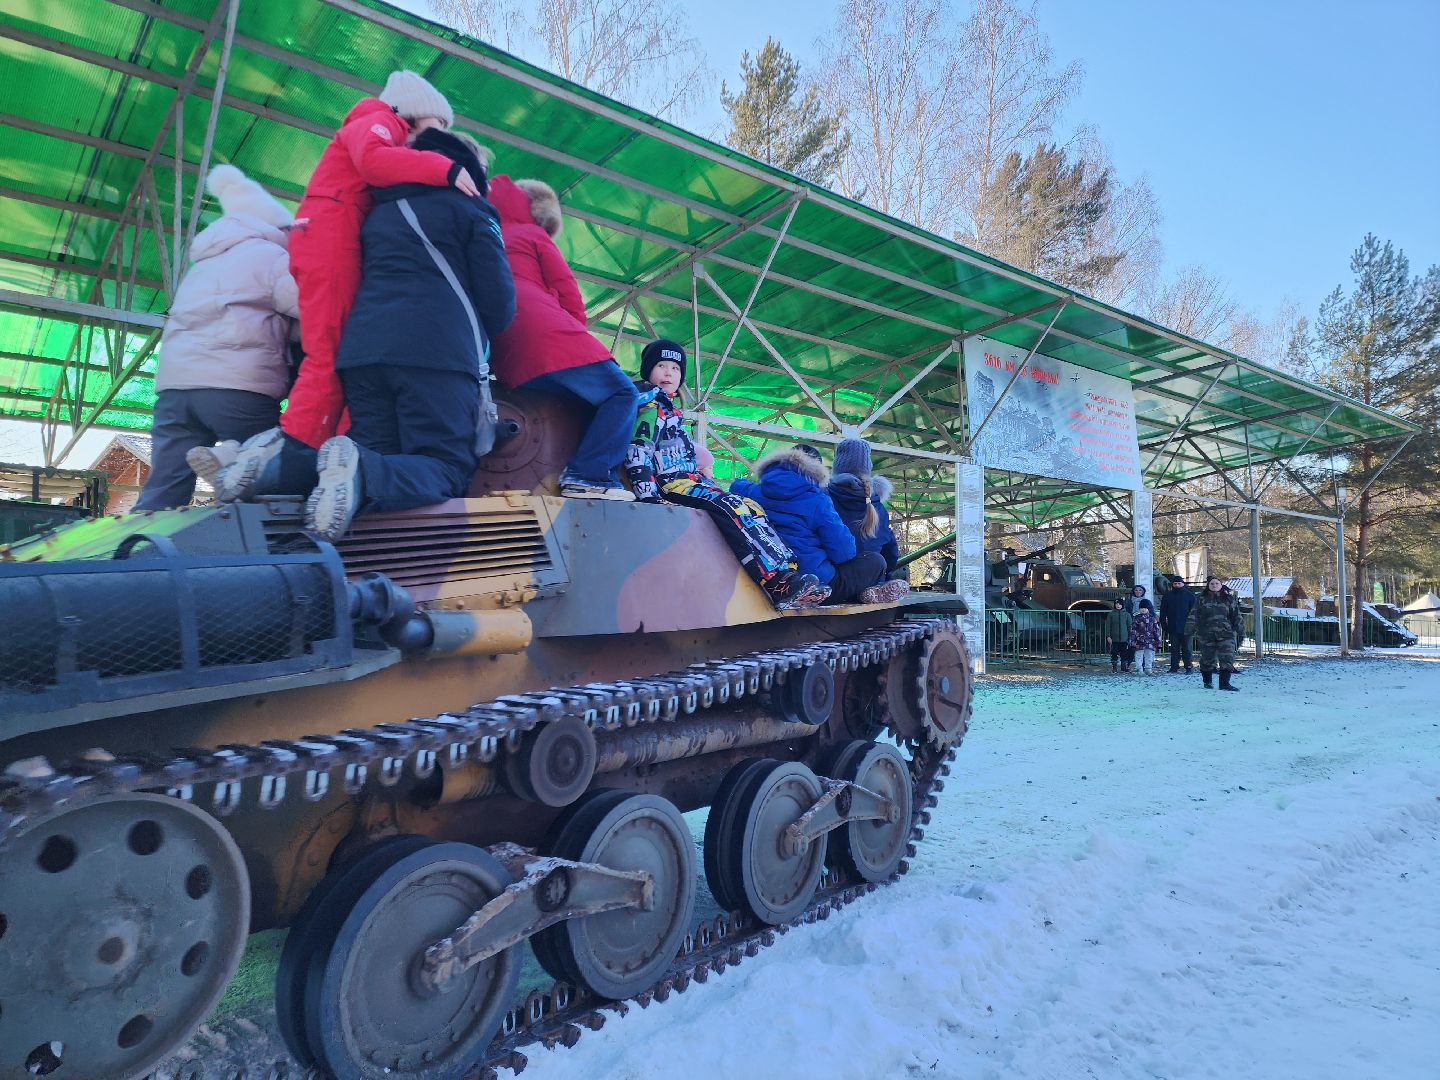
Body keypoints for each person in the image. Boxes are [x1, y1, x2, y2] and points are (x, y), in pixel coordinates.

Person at [212, 71, 479, 495]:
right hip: (332, 236)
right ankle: (289, 453)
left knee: (336, 350)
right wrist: (443, 168)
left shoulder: (374, 127)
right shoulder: (379, 121)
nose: (442, 134)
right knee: (330, 352)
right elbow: (375, 161)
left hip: (325, 235)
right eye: (439, 124)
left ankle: (265, 453)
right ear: (413, 112)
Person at [302, 128, 514, 539]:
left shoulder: (379, 210)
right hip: (436, 353)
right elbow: (499, 304)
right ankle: (362, 470)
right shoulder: (473, 209)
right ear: (468, 167)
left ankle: (278, 465)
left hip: (363, 352)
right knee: (446, 465)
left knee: (373, 456)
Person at [134, 165, 299, 511]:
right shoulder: (271, 256)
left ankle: (129, 554)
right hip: (237, 386)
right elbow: (306, 304)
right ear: (274, 226)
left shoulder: (202, 266)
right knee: (267, 469)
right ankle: (228, 465)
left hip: (175, 391)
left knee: (164, 484)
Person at [625, 341, 826, 609]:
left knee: (751, 506)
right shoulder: (650, 407)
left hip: (690, 479)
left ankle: (788, 571)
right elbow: (639, 448)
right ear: (648, 371)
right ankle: (774, 582)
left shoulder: (672, 411)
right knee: (731, 507)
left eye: (675, 368)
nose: (668, 373)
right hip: (671, 484)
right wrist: (647, 494)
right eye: (661, 366)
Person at [487, 173, 637, 500]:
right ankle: (589, 474)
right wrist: (575, 338)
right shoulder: (533, 235)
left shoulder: (490, 236)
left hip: (507, 355)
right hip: (546, 336)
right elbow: (570, 295)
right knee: (623, 395)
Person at [730, 444, 901, 605]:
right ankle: (864, 593)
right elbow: (844, 553)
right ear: (815, 471)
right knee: (875, 561)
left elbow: (735, 486)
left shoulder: (752, 492)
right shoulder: (818, 500)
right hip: (815, 584)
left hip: (770, 579)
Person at [825, 436, 909, 598]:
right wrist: (885, 576)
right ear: (868, 468)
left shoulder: (823, 497)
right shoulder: (878, 507)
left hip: (832, 584)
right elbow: (891, 551)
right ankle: (874, 588)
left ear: (837, 466)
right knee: (876, 561)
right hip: (868, 578)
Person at [1184, 576, 1244, 691]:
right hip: (1206, 634)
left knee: (1227, 658)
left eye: (1217, 583)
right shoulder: (1201, 598)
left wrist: (1241, 630)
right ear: (1208, 585)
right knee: (1207, 659)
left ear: (1221, 585)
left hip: (1226, 634)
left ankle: (1224, 684)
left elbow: (1236, 615)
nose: (1214, 585)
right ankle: (1207, 681)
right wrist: (1189, 630)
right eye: (1212, 584)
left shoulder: (1228, 599)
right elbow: (1193, 615)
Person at [1159, 575, 1196, 673]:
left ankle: (1188, 666)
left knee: (1187, 649)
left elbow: (1195, 612)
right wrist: (1164, 624)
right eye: (1175, 583)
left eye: (1179, 583)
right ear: (1172, 584)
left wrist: (1194, 625)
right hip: (1173, 627)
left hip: (1187, 628)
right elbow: (1163, 612)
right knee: (1174, 649)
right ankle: (1174, 667)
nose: (1177, 585)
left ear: (1183, 584)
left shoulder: (1190, 596)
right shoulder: (1167, 596)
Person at [1129, 598, 1162, 675]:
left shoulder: (1152, 619)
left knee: (1149, 656)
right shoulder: (1136, 619)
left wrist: (1158, 642)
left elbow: (1156, 631)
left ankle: (1148, 669)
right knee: (1138, 656)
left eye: (1145, 608)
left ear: (1148, 609)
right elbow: (1133, 631)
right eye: (1141, 608)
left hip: (1150, 641)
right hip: (1139, 641)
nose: (1143, 610)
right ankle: (1139, 669)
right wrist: (1132, 641)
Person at [1104, 597, 1133, 672]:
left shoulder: (1127, 615)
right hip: (1114, 639)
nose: (1118, 605)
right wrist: (1108, 636)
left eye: (1119, 604)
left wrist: (1130, 636)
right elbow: (1108, 626)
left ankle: (1124, 666)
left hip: (1124, 638)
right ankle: (1114, 666)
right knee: (1114, 653)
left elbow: (1130, 626)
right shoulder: (1111, 614)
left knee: (1124, 654)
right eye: (1116, 604)